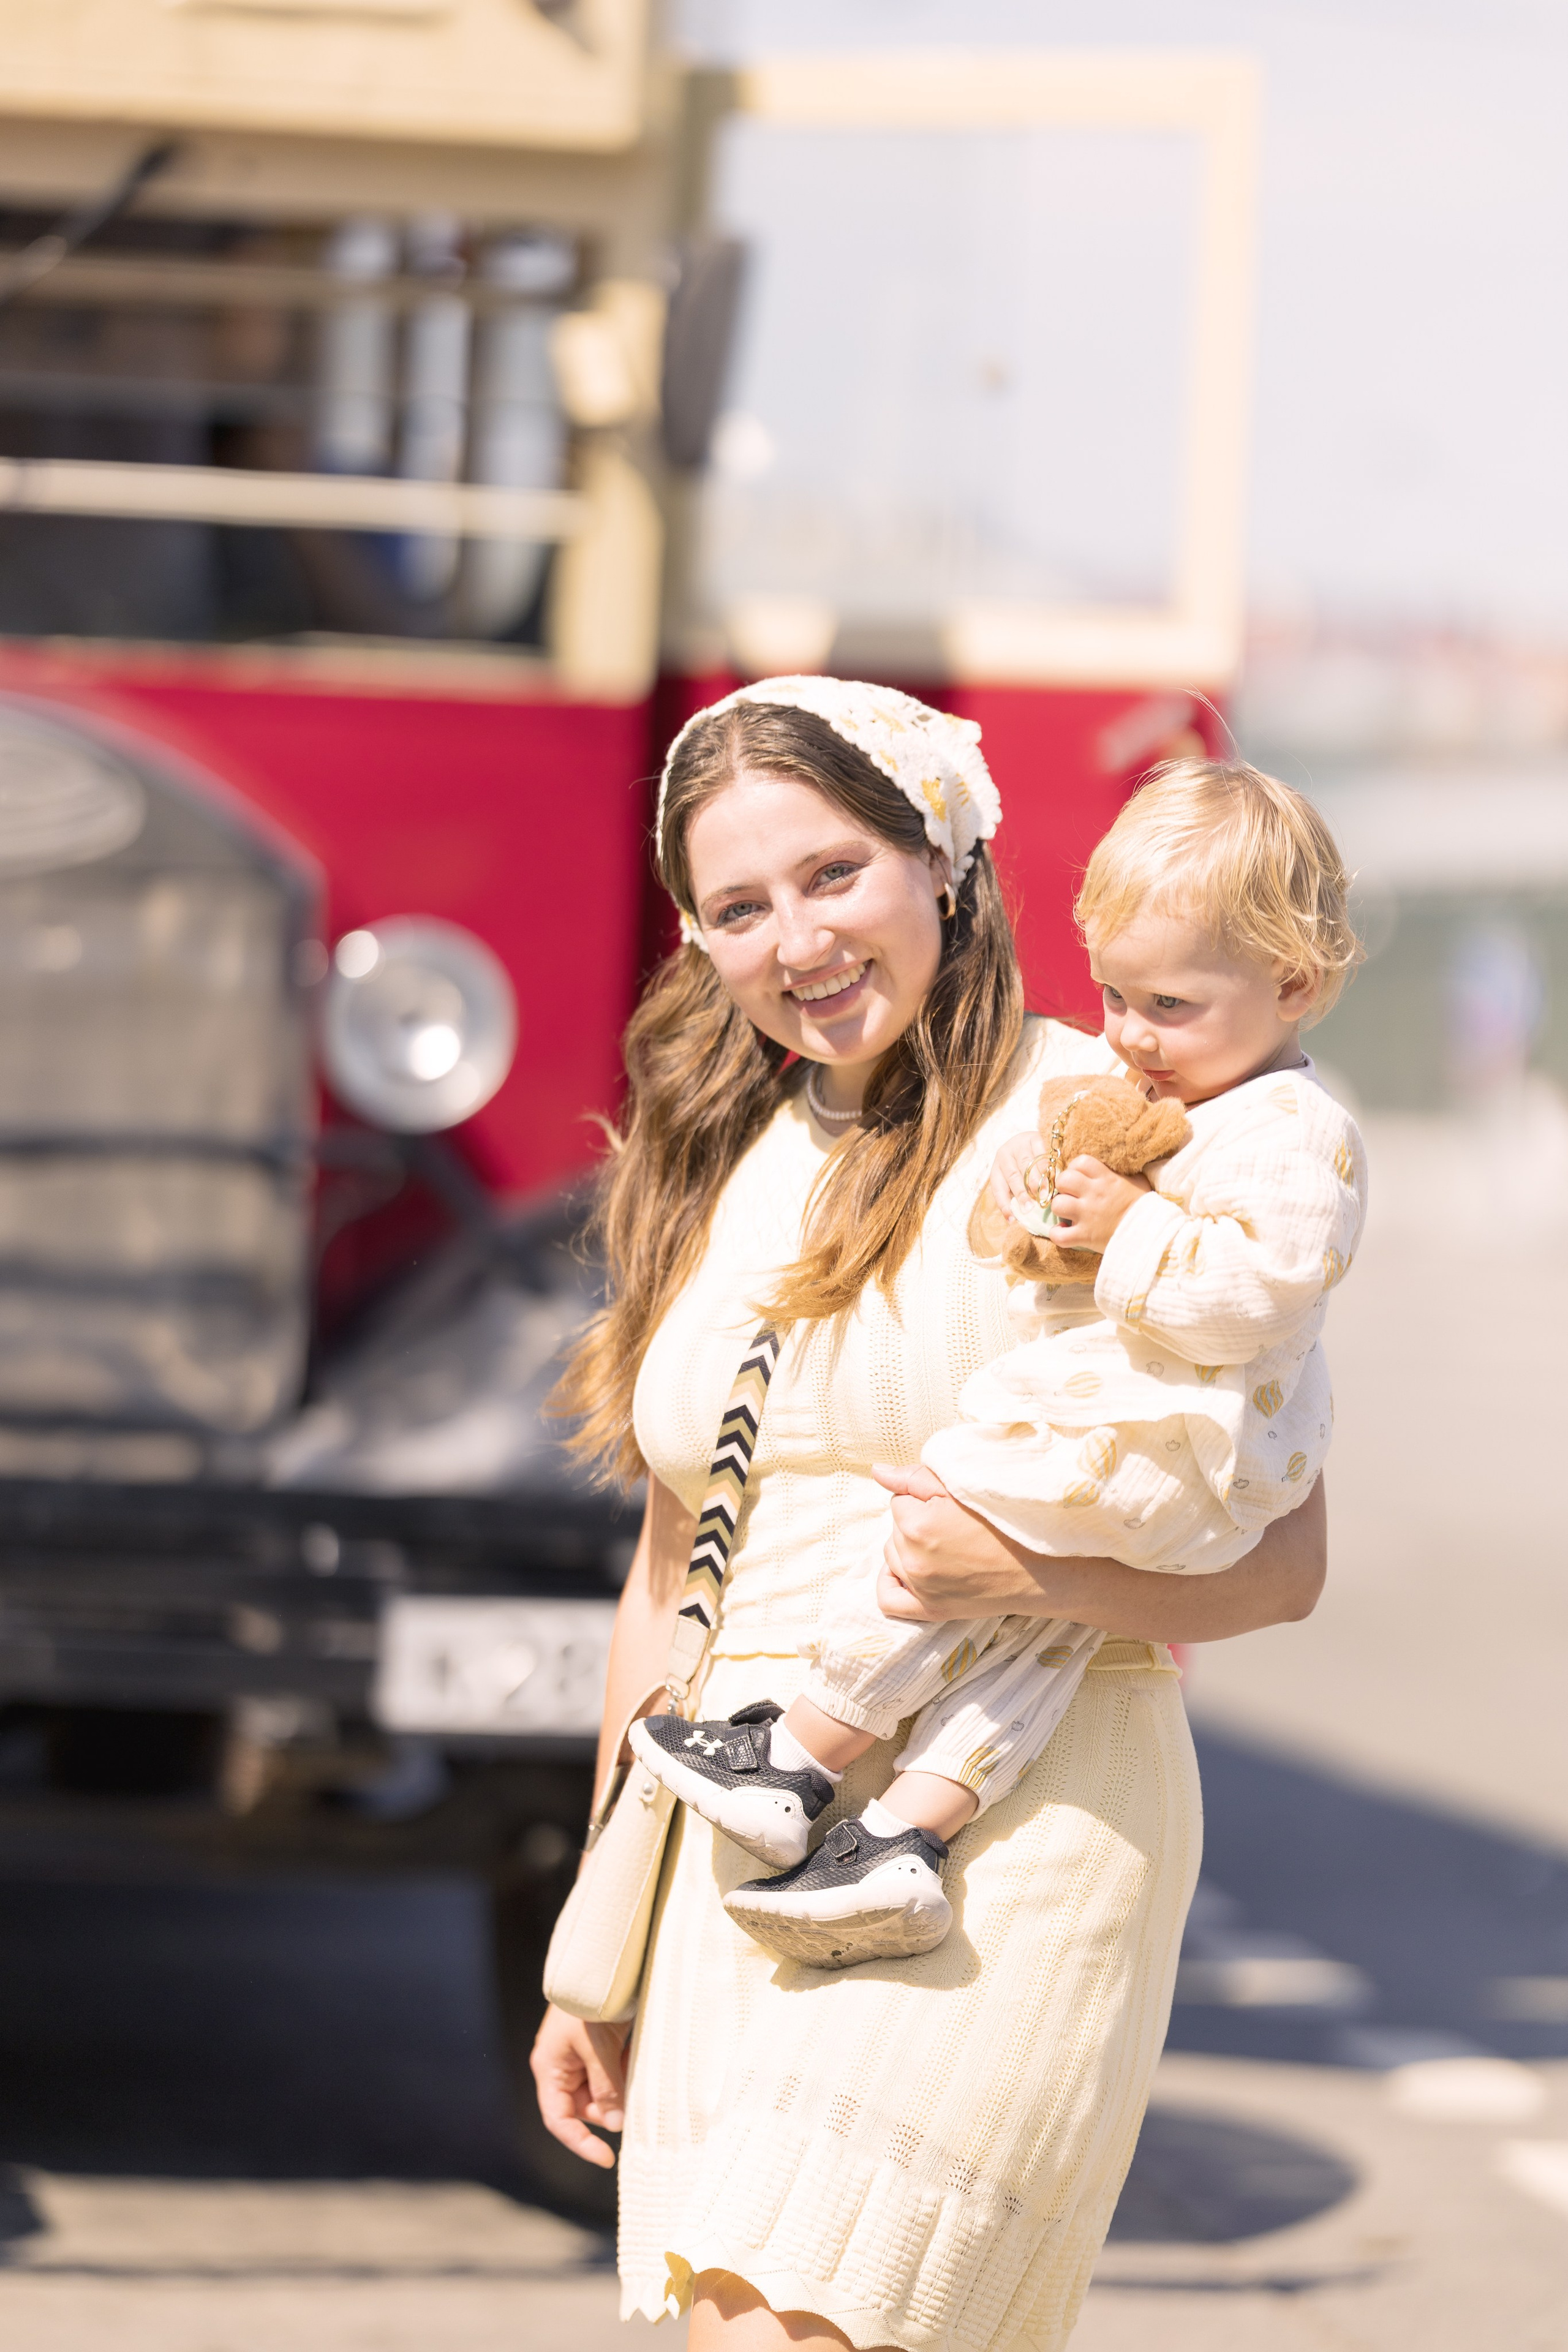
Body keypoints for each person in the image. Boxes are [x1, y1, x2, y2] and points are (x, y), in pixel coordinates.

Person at [532, 677, 1327, 2352]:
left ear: (942, 860)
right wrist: (595, 1941)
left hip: (1010, 1826)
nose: (797, 941)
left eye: (833, 874)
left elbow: (1284, 1562)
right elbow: (670, 1579)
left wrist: (1021, 1566)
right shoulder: (713, 1154)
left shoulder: (1115, 1119)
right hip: (735, 1839)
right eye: (740, 907)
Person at [632, 758, 1365, 1970]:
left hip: (1177, 1450)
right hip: (1150, 1446)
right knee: (1022, 1640)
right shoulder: (1148, 1094)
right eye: (1114, 996)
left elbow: (1258, 1297)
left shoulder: (1287, 1131)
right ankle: (904, 1831)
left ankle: (798, 1753)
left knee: (956, 1527)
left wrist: (1127, 1228)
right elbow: (664, 1566)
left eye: (834, 873)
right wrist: (1032, 1189)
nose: (1129, 1035)